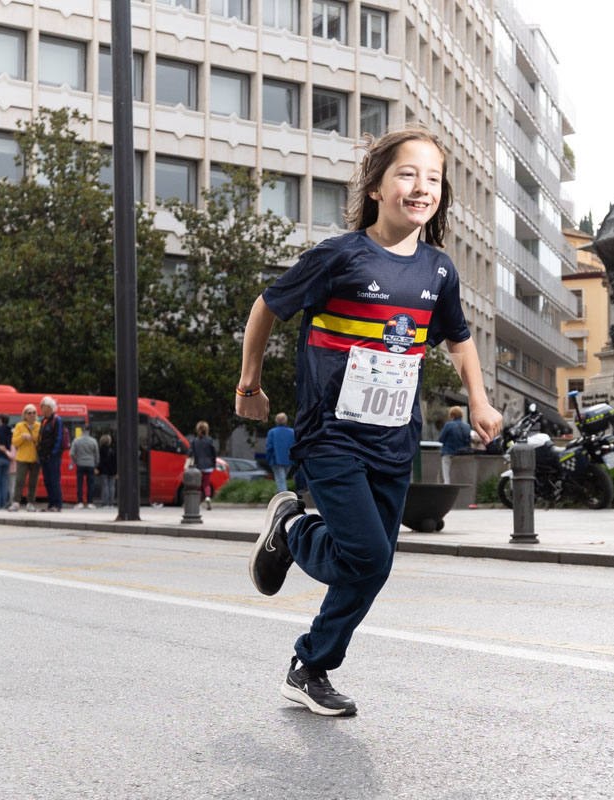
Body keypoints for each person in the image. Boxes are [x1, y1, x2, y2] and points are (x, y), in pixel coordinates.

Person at [237, 127, 503, 717]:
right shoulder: (339, 257)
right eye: (408, 174)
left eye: (432, 179)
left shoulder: (438, 272)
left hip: (393, 440)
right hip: (331, 435)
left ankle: (310, 667)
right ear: (378, 187)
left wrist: (479, 402)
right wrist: (249, 382)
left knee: (371, 567)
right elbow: (266, 307)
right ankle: (293, 532)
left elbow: (459, 341)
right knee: (368, 557)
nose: (421, 187)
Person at [36, 396, 65, 512]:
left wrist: (53, 453)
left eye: (42, 406)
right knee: (47, 481)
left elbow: (59, 438)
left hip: (53, 457)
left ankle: (57, 504)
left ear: (48, 407)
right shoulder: (43, 421)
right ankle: (51, 504)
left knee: (54, 480)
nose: (41, 409)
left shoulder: (57, 420)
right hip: (44, 456)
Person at [11, 404, 41, 511]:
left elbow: (41, 441)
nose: (32, 415)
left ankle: (30, 503)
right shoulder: (19, 426)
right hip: (22, 458)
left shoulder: (39, 426)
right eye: (29, 413)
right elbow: (14, 442)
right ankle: (16, 503)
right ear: (25, 415)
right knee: (20, 481)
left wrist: (35, 439)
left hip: (35, 458)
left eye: (34, 412)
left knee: (33, 482)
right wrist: (23, 437)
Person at [437, 405, 472, 483]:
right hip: (462, 454)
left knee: (446, 474)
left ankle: (447, 484)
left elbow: (441, 439)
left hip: (448, 452)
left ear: (452, 415)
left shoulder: (448, 425)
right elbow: (468, 442)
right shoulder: (467, 426)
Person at [188, 421, 218, 510]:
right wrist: (213, 464)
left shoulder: (194, 441)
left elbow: (190, 453)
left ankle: (198, 502)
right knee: (206, 484)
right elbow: (214, 453)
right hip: (208, 466)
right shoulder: (209, 440)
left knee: (198, 485)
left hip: (198, 466)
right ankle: (208, 497)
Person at [265, 413, 296, 494]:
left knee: (280, 480)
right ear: (286, 421)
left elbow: (269, 447)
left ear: (276, 421)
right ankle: (279, 498)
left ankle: (284, 499)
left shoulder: (272, 432)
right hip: (289, 460)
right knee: (282, 479)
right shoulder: (292, 432)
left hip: (276, 460)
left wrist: (268, 460)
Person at [70, 425, 99, 508]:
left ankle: (80, 502)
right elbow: (97, 454)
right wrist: (95, 463)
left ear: (82, 431)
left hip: (80, 464)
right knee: (90, 484)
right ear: (89, 431)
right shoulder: (93, 441)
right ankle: (90, 502)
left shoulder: (76, 441)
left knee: (80, 484)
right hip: (90, 464)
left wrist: (76, 461)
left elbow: (71, 453)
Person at [97, 433, 118, 508]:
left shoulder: (100, 449)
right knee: (112, 487)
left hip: (104, 471)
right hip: (112, 471)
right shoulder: (113, 449)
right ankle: (111, 503)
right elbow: (116, 461)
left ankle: (105, 503)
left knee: (105, 486)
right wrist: (116, 472)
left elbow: (99, 461)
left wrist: (98, 469)